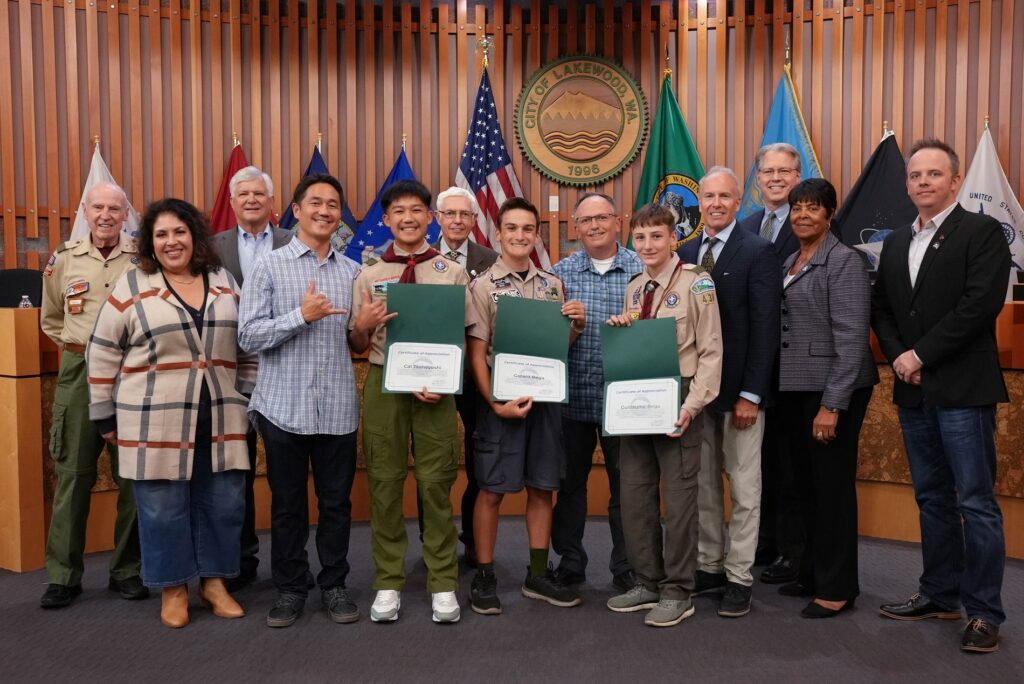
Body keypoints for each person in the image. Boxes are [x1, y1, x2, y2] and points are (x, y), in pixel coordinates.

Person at [87, 198, 255, 628]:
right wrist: (103, 413)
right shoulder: (133, 285)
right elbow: (103, 351)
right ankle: (173, 588)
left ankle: (214, 583)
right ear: (149, 241)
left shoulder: (223, 280)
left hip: (220, 414)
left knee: (224, 503)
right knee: (162, 507)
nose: (171, 241)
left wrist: (246, 392)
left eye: (179, 232)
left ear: (195, 236)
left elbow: (247, 343)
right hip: (151, 417)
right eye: (161, 234)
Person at [872, 139, 1010, 653]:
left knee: (974, 503)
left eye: (934, 174)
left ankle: (983, 612)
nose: (924, 182)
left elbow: (979, 306)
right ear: (906, 184)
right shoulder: (893, 242)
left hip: (962, 390)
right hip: (914, 392)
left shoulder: (982, 231)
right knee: (931, 499)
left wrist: (919, 355)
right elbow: (882, 308)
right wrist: (900, 356)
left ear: (955, 181)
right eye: (915, 176)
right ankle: (940, 593)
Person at [238, 173, 363, 629]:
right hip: (282, 407)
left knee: (336, 505)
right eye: (315, 202)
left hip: (337, 409)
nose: (325, 211)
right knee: (287, 504)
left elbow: (357, 344)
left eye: (333, 204)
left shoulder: (354, 272)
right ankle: (290, 588)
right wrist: (300, 316)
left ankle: (334, 584)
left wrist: (363, 327)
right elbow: (248, 335)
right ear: (295, 210)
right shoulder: (267, 268)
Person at [348, 180, 467, 624]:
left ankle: (442, 581)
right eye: (399, 211)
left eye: (417, 210)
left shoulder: (451, 272)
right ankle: (388, 581)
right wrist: (361, 324)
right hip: (385, 385)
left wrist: (440, 377)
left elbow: (463, 337)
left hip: (436, 390)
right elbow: (357, 341)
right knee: (384, 482)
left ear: (430, 218)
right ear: (386, 219)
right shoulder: (369, 274)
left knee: (436, 484)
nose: (408, 218)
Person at [465, 197, 586, 615]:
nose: (520, 236)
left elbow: (556, 350)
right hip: (502, 402)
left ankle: (537, 573)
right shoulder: (481, 286)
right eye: (511, 228)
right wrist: (494, 405)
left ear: (537, 235)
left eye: (527, 229)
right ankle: (483, 574)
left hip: (545, 403)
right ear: (498, 234)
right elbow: (477, 352)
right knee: (493, 490)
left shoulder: (551, 285)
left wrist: (576, 327)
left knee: (543, 487)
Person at [605, 203, 722, 628]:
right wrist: (623, 329)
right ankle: (647, 580)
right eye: (640, 237)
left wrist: (692, 407)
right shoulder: (635, 288)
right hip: (637, 397)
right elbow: (639, 343)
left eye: (657, 236)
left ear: (673, 238)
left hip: (680, 398)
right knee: (634, 494)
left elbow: (711, 352)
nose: (648, 245)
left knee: (679, 500)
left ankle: (678, 590)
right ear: (632, 241)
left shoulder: (696, 283)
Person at [38, 183, 147, 609]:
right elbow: (51, 318)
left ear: (125, 215)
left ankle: (127, 570)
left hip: (132, 371)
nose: (105, 214)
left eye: (114, 208)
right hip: (79, 370)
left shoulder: (142, 260)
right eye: (98, 207)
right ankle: (63, 575)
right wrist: (81, 348)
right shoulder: (63, 259)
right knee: (73, 477)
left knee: (134, 478)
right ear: (85, 209)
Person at [677, 167, 780, 618]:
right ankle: (709, 567)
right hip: (697, 394)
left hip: (740, 394)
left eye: (725, 197)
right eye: (709, 197)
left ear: (740, 202)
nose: (716, 204)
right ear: (700, 203)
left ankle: (739, 576)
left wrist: (751, 395)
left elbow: (765, 329)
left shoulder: (759, 251)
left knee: (744, 489)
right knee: (702, 488)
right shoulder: (682, 253)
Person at [774, 179, 878, 619]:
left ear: (829, 214)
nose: (802, 215)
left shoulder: (844, 261)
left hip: (833, 390)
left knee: (831, 490)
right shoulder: (790, 259)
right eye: (796, 207)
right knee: (804, 488)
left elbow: (853, 338)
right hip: (795, 388)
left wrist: (831, 405)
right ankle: (813, 572)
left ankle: (838, 587)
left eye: (812, 207)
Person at [550, 191, 642, 593]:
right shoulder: (560, 273)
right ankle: (570, 561)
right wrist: (570, 328)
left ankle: (627, 566)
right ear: (576, 227)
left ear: (618, 221)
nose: (594, 226)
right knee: (569, 488)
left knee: (628, 489)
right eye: (586, 221)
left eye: (602, 218)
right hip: (572, 400)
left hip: (626, 403)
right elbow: (549, 340)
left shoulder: (643, 269)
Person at [211, 165, 293, 592]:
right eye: (243, 194)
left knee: (285, 478)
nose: (251, 200)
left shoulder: (293, 242)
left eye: (259, 193)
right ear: (231, 201)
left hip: (283, 372)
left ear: (271, 201)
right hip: (230, 379)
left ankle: (287, 568)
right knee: (235, 475)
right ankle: (240, 562)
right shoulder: (211, 247)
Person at [737, 142, 804, 584]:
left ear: (798, 177)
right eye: (768, 172)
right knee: (758, 463)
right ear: (757, 179)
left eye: (785, 171)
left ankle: (790, 549)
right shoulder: (747, 227)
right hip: (756, 366)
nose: (776, 178)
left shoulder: (807, 223)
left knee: (789, 463)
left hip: (797, 365)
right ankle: (763, 542)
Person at [432, 186, 498, 566]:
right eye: (450, 213)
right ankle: (434, 541)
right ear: (437, 218)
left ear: (474, 221)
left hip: (477, 375)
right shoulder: (420, 258)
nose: (457, 220)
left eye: (465, 215)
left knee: (479, 459)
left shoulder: (491, 260)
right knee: (436, 462)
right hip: (432, 374)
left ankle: (474, 541)